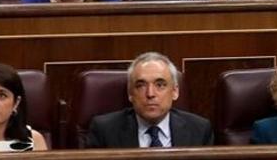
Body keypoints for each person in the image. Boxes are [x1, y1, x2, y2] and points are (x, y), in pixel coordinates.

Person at [83, 52, 213, 148]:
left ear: (175, 91)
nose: (150, 94)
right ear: (130, 93)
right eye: (141, 85)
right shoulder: (104, 130)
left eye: (160, 85)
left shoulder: (199, 130)